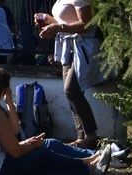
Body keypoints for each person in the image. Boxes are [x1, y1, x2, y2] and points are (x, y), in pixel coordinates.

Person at [0, 68, 111, 175]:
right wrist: (32, 145)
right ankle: (88, 164)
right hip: (4, 167)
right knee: (41, 156)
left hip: (6, 160)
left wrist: (28, 142)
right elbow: (15, 151)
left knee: (49, 144)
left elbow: (14, 132)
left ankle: (93, 160)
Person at [35, 0, 104, 149]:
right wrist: (50, 21)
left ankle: (91, 136)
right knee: (71, 93)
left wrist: (58, 27)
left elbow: (86, 24)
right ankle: (82, 137)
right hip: (69, 46)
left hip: (84, 46)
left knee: (71, 90)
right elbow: (64, 22)